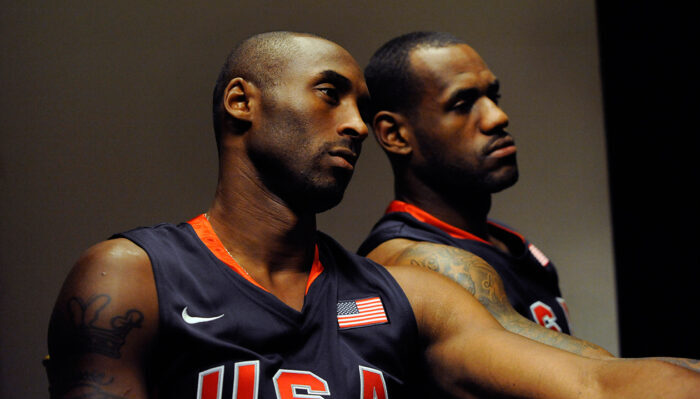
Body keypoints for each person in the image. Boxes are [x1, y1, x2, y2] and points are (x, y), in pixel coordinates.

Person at [46, 31, 700, 399]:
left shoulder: (410, 297)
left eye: (362, 105)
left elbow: (594, 382)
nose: (358, 125)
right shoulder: (132, 277)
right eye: (331, 95)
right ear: (242, 103)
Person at [357, 31, 699, 369]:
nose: (497, 117)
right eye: (462, 105)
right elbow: (597, 378)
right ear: (395, 134)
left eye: (494, 96)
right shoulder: (414, 261)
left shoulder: (508, 242)